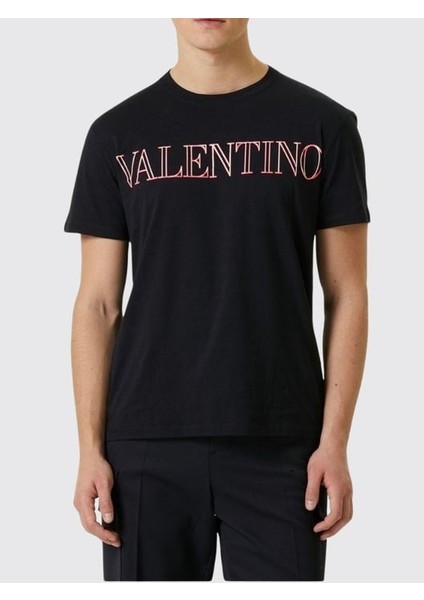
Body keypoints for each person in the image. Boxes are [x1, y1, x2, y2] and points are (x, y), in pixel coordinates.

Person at [63, 18, 370, 582]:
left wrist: (335, 441)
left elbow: (347, 292)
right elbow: (98, 304)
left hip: (284, 445)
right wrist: (89, 450)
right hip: (145, 445)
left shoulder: (324, 125)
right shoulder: (116, 133)